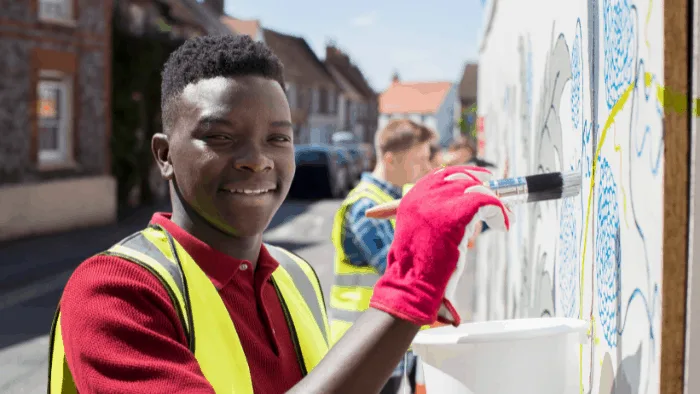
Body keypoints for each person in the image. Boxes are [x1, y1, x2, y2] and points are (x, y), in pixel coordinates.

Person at [48, 34, 511, 394]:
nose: (257, 159)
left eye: (278, 138)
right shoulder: (114, 292)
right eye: (221, 136)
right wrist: (410, 286)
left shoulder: (295, 276)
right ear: (165, 155)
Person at [329, 119, 435, 394]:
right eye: (419, 160)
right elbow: (406, 274)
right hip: (364, 350)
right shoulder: (367, 207)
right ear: (390, 160)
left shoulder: (397, 201)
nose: (427, 168)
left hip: (385, 347)